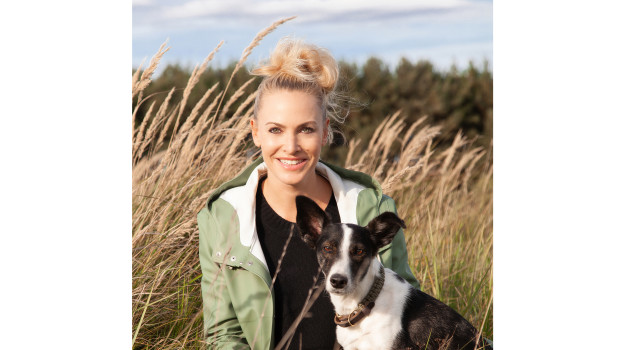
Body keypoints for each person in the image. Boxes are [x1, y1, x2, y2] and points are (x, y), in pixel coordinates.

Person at [197, 38, 420, 350]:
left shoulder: (369, 207)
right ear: (255, 131)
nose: (291, 146)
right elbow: (224, 335)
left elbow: (408, 317)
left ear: (325, 130)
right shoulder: (222, 217)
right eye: (275, 130)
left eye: (306, 129)